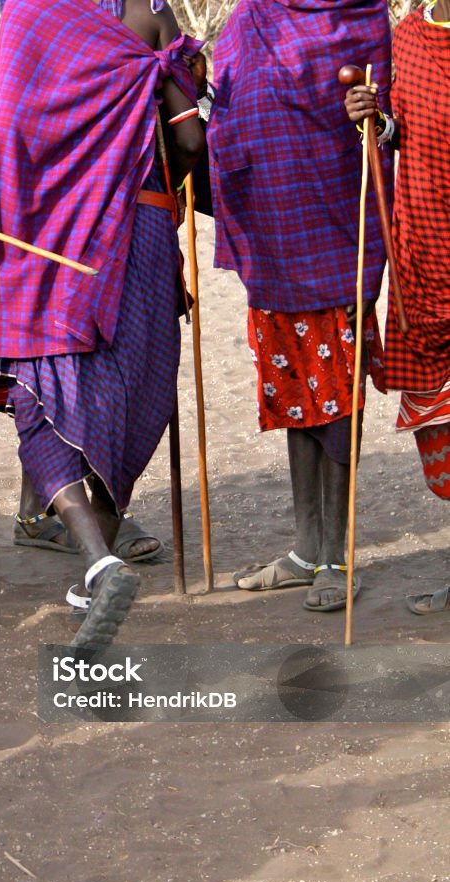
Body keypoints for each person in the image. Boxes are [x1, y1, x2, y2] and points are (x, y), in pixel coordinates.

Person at [0, 0, 204, 648]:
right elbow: (191, 140)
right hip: (137, 231)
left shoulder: (20, 14)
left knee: (38, 394)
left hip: (43, 231)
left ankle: (97, 560)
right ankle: (95, 576)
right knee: (133, 395)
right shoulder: (149, 14)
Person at [209, 0, 392, 614]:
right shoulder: (248, 17)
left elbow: (398, 116)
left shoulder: (364, 18)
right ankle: (305, 550)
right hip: (271, 227)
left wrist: (374, 116)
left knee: (337, 396)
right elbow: (224, 106)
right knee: (294, 393)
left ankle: (338, 557)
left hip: (339, 226)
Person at [345, 0, 450, 616]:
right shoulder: (407, 37)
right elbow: (398, 132)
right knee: (442, 432)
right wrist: (373, 118)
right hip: (423, 258)